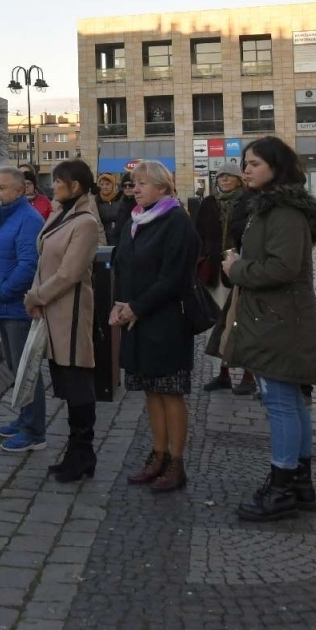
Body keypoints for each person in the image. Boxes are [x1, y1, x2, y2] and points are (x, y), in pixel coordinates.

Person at [216, 136, 316, 522]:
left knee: (280, 403)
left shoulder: (283, 212)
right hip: (272, 317)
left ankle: (283, 486)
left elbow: (283, 267)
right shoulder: (268, 207)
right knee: (289, 401)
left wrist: (237, 269)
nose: (245, 169)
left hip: (279, 320)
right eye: (245, 162)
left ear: (276, 168)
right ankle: (298, 483)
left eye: (254, 164)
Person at [113, 160, 200, 492]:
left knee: (170, 392)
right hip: (138, 320)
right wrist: (122, 304)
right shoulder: (135, 220)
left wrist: (136, 307)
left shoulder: (176, 220)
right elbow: (123, 265)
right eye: (133, 183)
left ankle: (176, 463)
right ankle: (158, 454)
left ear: (163, 187)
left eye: (142, 183)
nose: (135, 189)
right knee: (151, 390)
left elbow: (173, 277)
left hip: (167, 322)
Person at [25, 160, 105, 484]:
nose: (54, 185)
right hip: (53, 309)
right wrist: (36, 296)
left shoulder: (85, 222)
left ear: (76, 186)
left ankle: (83, 451)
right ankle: (75, 451)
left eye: (60, 181)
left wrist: (37, 295)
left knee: (78, 382)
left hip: (71, 312)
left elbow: (69, 273)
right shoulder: (60, 214)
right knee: (67, 383)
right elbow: (44, 259)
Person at [0, 168, 47, 451]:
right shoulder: (6, 215)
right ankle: (24, 419)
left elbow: (28, 264)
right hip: (5, 304)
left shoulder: (28, 219)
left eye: (1, 188)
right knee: (14, 366)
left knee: (26, 368)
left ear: (20, 190)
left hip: (16, 304)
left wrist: (4, 290)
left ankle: (34, 431)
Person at [203, 159, 256, 394]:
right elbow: (199, 231)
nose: (224, 179)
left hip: (241, 267)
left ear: (239, 180)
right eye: (221, 176)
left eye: (229, 176)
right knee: (221, 323)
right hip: (216, 268)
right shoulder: (209, 202)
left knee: (242, 322)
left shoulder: (248, 202)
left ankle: (249, 375)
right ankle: (223, 374)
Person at [95, 173, 127, 247]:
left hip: (120, 238)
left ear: (113, 184)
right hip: (103, 239)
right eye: (102, 184)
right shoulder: (96, 201)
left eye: (107, 184)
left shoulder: (121, 198)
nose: (104, 187)